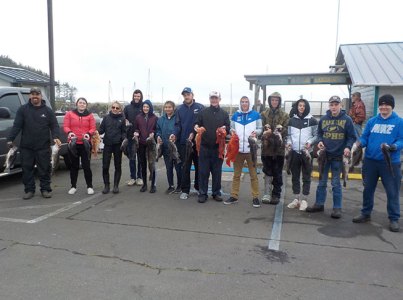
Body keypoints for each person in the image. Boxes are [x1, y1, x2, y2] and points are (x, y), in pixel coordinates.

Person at [352, 94, 403, 232]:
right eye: (381, 105)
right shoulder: (372, 121)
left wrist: (394, 147)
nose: (383, 107)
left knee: (392, 192)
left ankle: (393, 218)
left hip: (390, 163)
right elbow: (365, 137)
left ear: (392, 106)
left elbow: (401, 140)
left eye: (387, 105)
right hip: (370, 162)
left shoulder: (399, 122)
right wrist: (359, 144)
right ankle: (365, 213)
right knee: (368, 189)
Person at [306, 95, 356, 218]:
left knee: (336, 183)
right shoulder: (323, 119)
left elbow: (352, 136)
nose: (334, 107)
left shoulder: (347, 119)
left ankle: (337, 208)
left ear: (340, 105)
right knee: (321, 182)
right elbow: (319, 134)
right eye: (332, 105)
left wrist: (348, 147)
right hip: (325, 156)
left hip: (339, 158)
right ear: (329, 106)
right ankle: (319, 204)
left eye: (336, 104)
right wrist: (320, 141)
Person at [7, 87, 61, 199]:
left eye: (37, 94)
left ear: (41, 96)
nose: (35, 96)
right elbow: (17, 125)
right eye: (32, 94)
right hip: (27, 146)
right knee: (27, 169)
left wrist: (56, 137)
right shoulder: (23, 110)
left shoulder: (48, 111)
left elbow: (54, 126)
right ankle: (29, 190)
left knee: (44, 169)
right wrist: (10, 138)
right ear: (29, 96)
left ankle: (45, 189)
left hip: (43, 146)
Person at [224, 96, 262, 207]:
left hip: (251, 150)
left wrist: (256, 133)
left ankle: (255, 197)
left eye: (246, 102)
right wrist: (232, 131)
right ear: (240, 103)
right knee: (236, 175)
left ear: (249, 103)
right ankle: (234, 195)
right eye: (242, 102)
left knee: (253, 175)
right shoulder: (235, 115)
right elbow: (231, 128)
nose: (244, 103)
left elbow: (260, 128)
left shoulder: (256, 115)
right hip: (238, 150)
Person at [194, 91, 230, 203]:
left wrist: (224, 129)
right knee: (203, 172)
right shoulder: (203, 112)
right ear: (209, 99)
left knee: (217, 171)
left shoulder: (224, 114)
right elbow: (197, 124)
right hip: (204, 147)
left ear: (220, 99)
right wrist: (196, 127)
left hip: (218, 148)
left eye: (216, 98)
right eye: (212, 98)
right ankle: (202, 193)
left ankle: (216, 192)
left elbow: (228, 127)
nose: (214, 100)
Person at [171, 87, 204, 200]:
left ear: (192, 95)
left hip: (198, 143)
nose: (186, 96)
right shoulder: (179, 109)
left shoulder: (200, 107)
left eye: (188, 94)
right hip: (184, 143)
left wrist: (195, 133)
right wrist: (174, 134)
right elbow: (177, 125)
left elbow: (203, 123)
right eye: (184, 95)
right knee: (185, 167)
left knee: (199, 166)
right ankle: (185, 190)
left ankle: (199, 188)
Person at [286, 99, 318, 211]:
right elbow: (289, 136)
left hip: (307, 153)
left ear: (307, 107)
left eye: (304, 106)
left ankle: (304, 200)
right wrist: (289, 144)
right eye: (300, 105)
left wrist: (310, 143)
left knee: (306, 176)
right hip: (295, 152)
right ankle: (296, 199)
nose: (302, 107)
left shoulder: (312, 120)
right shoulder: (291, 121)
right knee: (295, 176)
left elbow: (316, 136)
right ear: (297, 107)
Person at [260, 92, 289, 204]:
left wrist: (281, 130)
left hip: (279, 150)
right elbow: (260, 129)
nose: (274, 102)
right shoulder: (263, 114)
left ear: (279, 101)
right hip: (266, 149)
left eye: (277, 100)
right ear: (269, 101)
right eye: (272, 100)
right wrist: (265, 129)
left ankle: (276, 194)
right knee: (267, 171)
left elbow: (287, 130)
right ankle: (267, 193)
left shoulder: (285, 115)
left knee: (277, 172)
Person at [64, 97, 96, 195]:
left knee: (86, 166)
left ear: (86, 105)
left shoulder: (90, 115)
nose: (82, 104)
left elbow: (93, 128)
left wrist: (88, 134)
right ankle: (73, 186)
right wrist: (69, 132)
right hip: (73, 143)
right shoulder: (69, 114)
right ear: (77, 104)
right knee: (74, 166)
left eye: (84, 103)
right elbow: (65, 126)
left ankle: (89, 186)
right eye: (80, 103)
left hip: (85, 144)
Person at [99, 101, 126, 194]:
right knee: (105, 166)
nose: (115, 109)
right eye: (113, 107)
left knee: (117, 166)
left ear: (120, 109)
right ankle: (106, 185)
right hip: (107, 144)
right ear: (111, 108)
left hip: (118, 145)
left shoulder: (122, 119)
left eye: (117, 108)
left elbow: (124, 131)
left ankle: (116, 186)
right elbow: (101, 130)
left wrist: (123, 138)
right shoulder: (106, 118)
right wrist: (96, 132)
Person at [156, 101, 182, 194]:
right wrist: (158, 136)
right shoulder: (161, 119)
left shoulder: (177, 118)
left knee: (178, 168)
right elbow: (158, 130)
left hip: (175, 148)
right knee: (169, 168)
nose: (167, 109)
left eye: (169, 107)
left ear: (173, 108)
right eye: (166, 107)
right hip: (166, 148)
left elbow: (179, 129)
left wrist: (174, 135)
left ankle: (180, 185)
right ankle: (171, 185)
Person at [135, 100, 158, 193]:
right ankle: (144, 184)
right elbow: (136, 128)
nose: (145, 108)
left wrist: (154, 133)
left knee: (152, 164)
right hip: (141, 143)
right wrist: (136, 132)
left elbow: (157, 129)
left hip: (151, 143)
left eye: (147, 107)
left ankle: (153, 185)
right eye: (144, 107)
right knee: (143, 164)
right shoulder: (138, 117)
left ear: (150, 107)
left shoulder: (155, 118)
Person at [124, 89, 144, 187]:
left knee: (140, 158)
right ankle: (132, 177)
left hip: (141, 137)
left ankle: (139, 177)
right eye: (135, 96)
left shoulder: (144, 107)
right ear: (133, 96)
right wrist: (126, 122)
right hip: (131, 136)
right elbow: (124, 119)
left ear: (141, 97)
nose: (136, 98)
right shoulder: (127, 108)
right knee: (132, 158)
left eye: (138, 96)